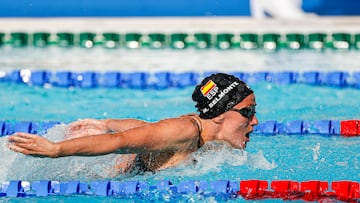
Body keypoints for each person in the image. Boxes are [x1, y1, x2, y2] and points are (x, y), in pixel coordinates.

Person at [7, 73, 258, 174]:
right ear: (219, 114)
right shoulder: (186, 130)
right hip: (102, 177)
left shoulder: (200, 134)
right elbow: (119, 142)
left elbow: (148, 128)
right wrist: (55, 150)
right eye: (247, 112)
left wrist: (107, 122)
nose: (254, 121)